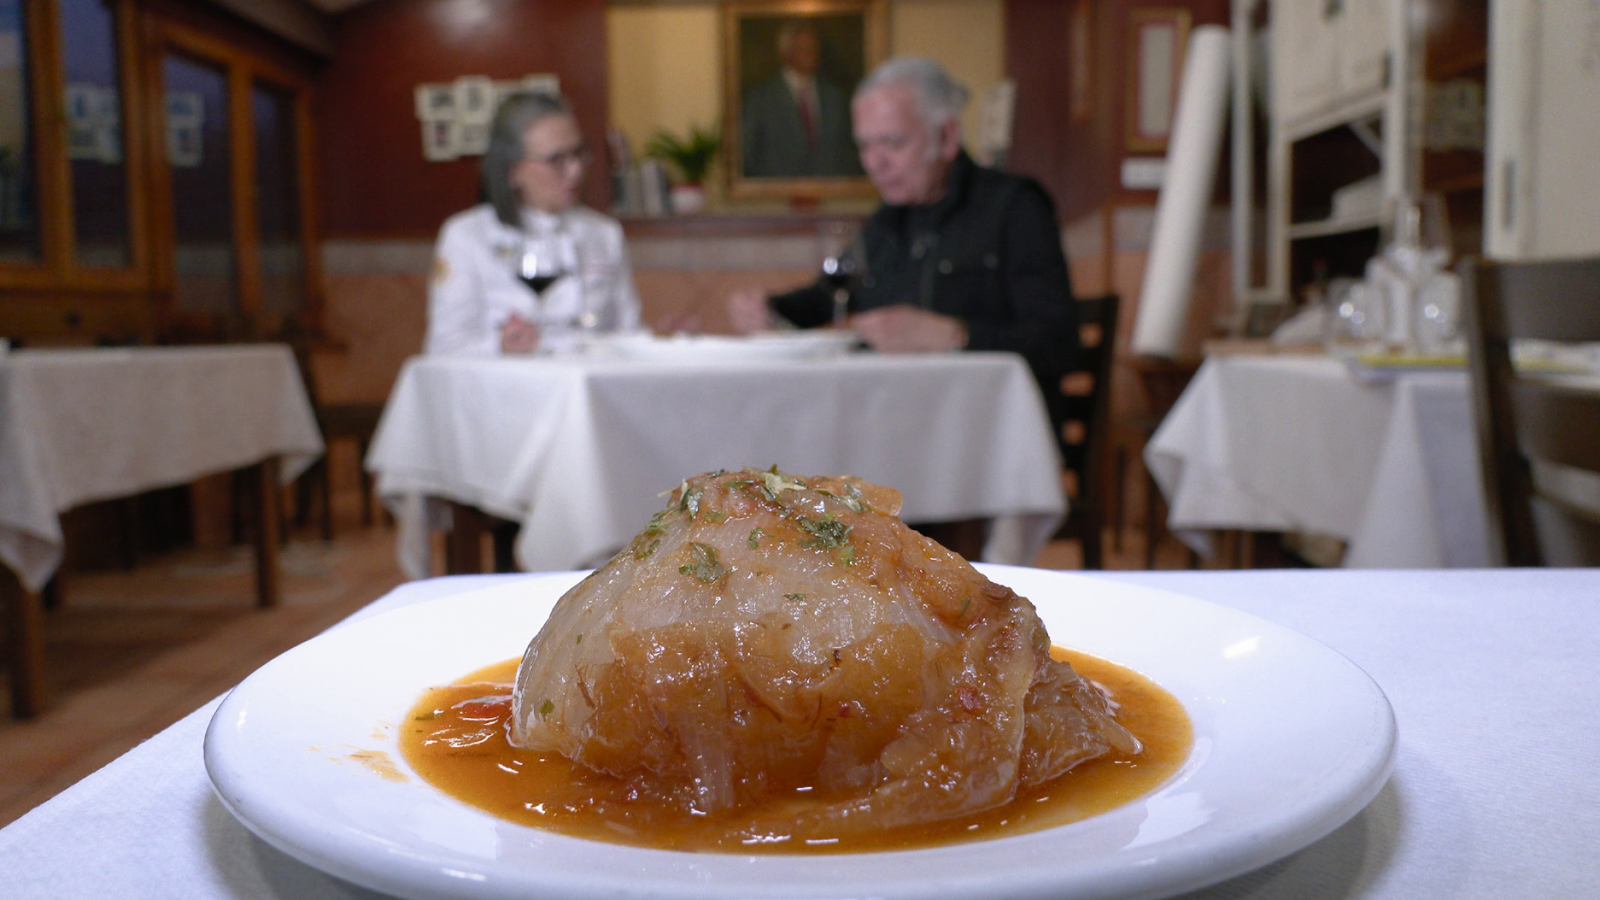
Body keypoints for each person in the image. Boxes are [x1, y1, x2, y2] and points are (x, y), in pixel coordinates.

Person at [728, 56, 1079, 411]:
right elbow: (827, 296)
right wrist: (768, 308)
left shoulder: (1014, 207)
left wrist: (955, 336)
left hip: (984, 424)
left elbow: (1058, 345)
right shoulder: (886, 221)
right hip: (898, 415)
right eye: (864, 146)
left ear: (947, 137)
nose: (874, 163)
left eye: (892, 143)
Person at [426, 92, 642, 356]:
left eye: (578, 153)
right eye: (556, 160)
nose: (575, 170)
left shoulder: (604, 234)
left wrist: (669, 341)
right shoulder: (468, 237)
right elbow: (444, 349)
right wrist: (501, 346)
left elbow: (629, 334)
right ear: (512, 170)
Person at [739, 20, 861, 178]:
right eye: (803, 48)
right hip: (774, 196)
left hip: (832, 195)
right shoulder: (761, 99)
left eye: (814, 48)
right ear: (785, 52)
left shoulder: (835, 97)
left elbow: (848, 151)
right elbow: (748, 154)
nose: (811, 54)